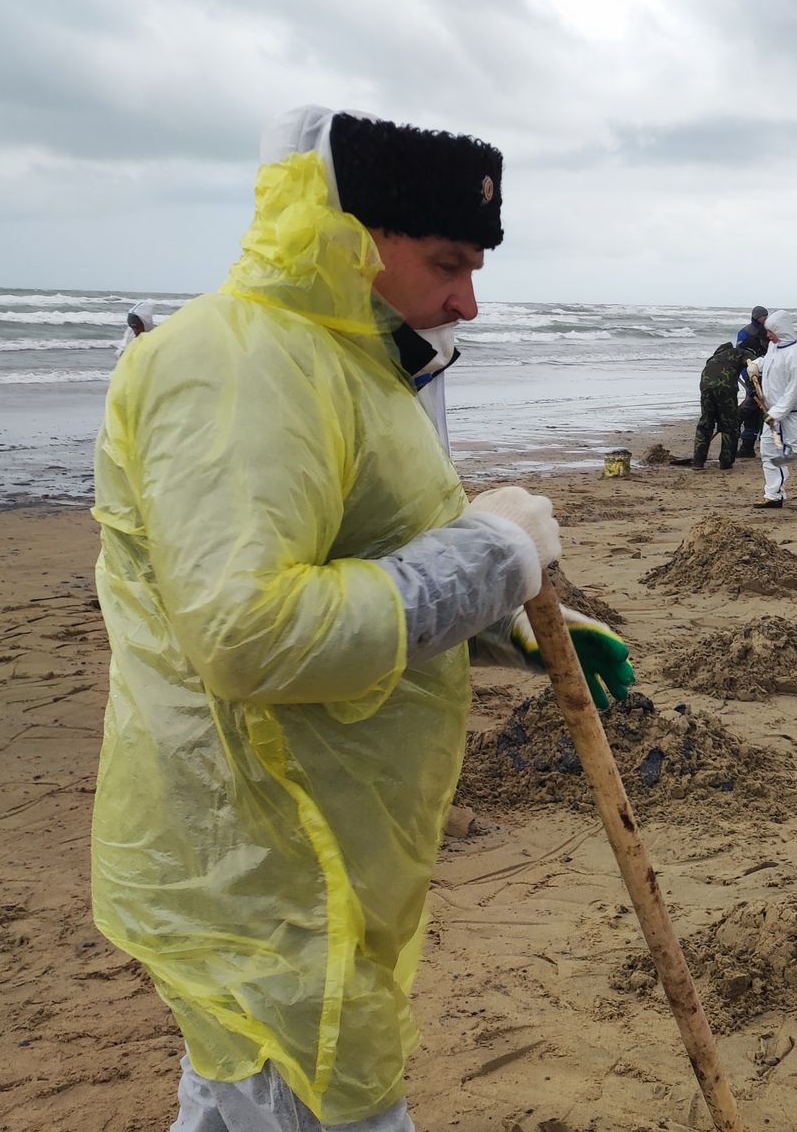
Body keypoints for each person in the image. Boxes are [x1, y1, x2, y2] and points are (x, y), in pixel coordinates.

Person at [90, 104, 635, 1132]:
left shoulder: (352, 357)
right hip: (264, 843)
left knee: (250, 1094)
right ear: (350, 236)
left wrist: (500, 622)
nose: (467, 302)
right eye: (445, 263)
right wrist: (488, 558)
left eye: (475, 268)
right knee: (303, 1088)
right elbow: (246, 633)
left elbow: (360, 553)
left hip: (324, 835)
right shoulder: (239, 365)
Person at [751, 310, 797, 511]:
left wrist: (775, 414)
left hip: (792, 416)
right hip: (772, 413)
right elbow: (769, 363)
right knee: (770, 452)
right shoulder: (774, 349)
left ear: (780, 330)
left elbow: (794, 391)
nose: (768, 336)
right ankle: (773, 495)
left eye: (771, 331)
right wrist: (756, 365)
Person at [675, 340, 747, 468]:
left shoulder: (712, 359)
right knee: (729, 426)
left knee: (705, 424)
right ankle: (726, 462)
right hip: (726, 389)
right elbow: (757, 365)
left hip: (706, 388)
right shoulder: (739, 353)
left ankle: (698, 462)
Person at [734, 306, 769, 457]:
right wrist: (748, 377)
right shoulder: (746, 332)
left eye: (767, 316)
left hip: (769, 376)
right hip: (751, 375)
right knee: (751, 408)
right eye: (763, 316)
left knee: (766, 409)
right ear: (756, 317)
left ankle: (766, 445)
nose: (765, 319)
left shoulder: (770, 331)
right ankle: (747, 446)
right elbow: (739, 356)